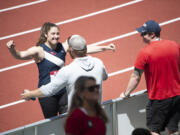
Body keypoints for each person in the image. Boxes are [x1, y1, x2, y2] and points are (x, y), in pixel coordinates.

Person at [6, 22, 115, 119]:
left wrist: (105, 48)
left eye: (57, 34)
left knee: (66, 119)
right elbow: (20, 55)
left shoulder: (63, 47)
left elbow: (83, 49)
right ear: (45, 34)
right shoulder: (39, 50)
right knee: (52, 123)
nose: (56, 36)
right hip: (47, 95)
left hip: (63, 91)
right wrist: (12, 50)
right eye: (53, 34)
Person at [120, 20, 180, 135]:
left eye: (143, 33)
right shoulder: (174, 45)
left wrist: (126, 93)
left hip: (159, 98)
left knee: (154, 130)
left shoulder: (145, 52)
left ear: (152, 34)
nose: (141, 35)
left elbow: (136, 77)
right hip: (177, 95)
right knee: (173, 129)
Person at [21, 34, 108, 110]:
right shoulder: (99, 63)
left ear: (70, 49)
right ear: (85, 48)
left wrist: (30, 94)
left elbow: (49, 90)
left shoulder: (67, 71)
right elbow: (105, 77)